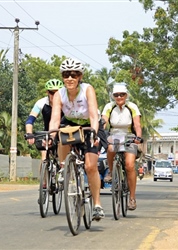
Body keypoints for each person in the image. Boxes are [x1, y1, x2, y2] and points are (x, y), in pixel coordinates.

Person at [49, 58, 105, 221]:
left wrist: (94, 133)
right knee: (61, 133)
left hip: (90, 125)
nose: (70, 79)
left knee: (90, 166)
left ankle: (97, 205)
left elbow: (94, 115)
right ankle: (64, 168)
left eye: (73, 75)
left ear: (80, 76)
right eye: (66, 75)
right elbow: (55, 119)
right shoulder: (59, 94)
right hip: (71, 124)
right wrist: (51, 136)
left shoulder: (87, 89)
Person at [102, 84, 143, 211]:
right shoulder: (109, 107)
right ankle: (110, 170)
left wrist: (138, 137)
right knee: (109, 148)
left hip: (129, 136)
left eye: (122, 94)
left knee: (130, 165)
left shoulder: (132, 107)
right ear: (113, 96)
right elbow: (104, 122)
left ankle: (132, 198)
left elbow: (137, 125)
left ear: (126, 95)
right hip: (114, 135)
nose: (119, 97)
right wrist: (100, 134)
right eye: (116, 95)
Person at [25, 79, 64, 161]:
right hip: (48, 132)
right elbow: (30, 120)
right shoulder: (41, 103)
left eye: (57, 92)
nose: (54, 95)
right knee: (44, 158)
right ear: (47, 92)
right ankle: (44, 171)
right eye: (51, 93)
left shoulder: (66, 102)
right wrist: (29, 133)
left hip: (63, 132)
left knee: (62, 158)